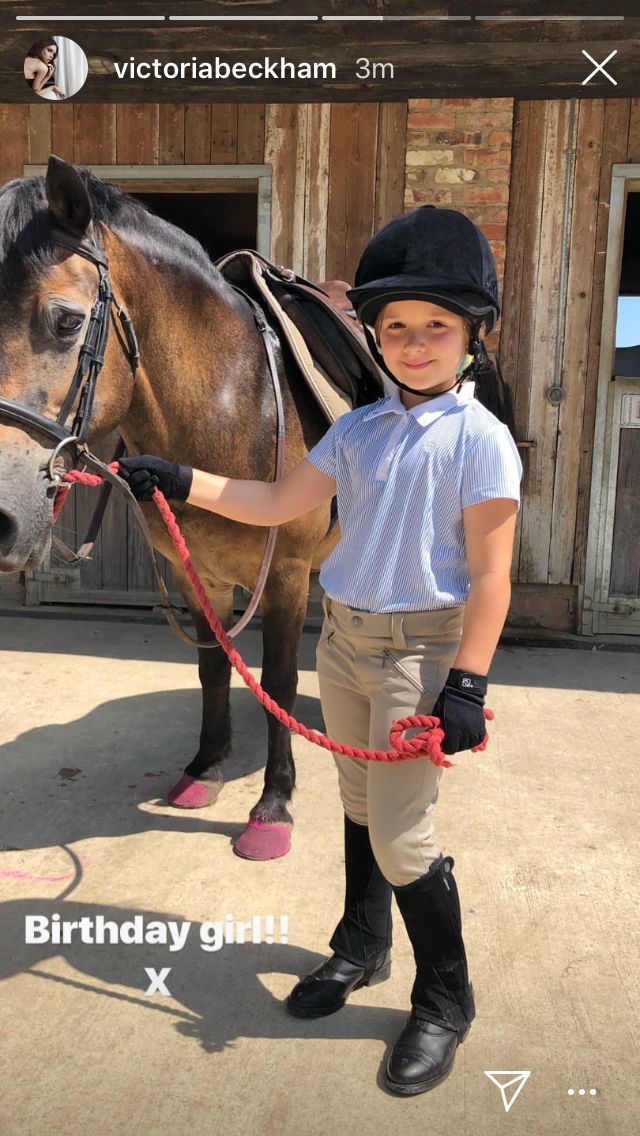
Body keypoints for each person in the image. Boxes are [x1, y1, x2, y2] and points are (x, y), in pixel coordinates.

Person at [118, 206, 522, 1096]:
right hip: (344, 639)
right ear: (375, 333)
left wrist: (467, 683)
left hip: (422, 651)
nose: (415, 345)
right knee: (354, 807)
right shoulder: (359, 431)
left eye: (437, 327)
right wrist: (182, 478)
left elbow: (493, 578)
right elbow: (270, 503)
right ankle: (360, 947)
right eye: (398, 328)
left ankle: (447, 1000)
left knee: (405, 836)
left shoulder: (481, 441)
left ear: (471, 335)